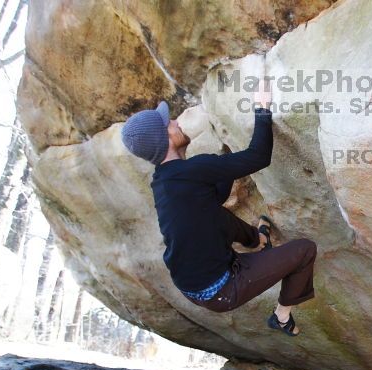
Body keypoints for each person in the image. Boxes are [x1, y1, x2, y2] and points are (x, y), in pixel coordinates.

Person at [120, 88, 316, 336]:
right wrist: (262, 109)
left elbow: (215, 196)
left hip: (191, 284)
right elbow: (259, 157)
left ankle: (259, 240)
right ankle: (281, 317)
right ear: (165, 139)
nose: (176, 122)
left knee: (212, 213)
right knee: (305, 249)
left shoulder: (164, 181)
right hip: (222, 289)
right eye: (168, 123)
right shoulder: (193, 171)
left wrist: (226, 161)